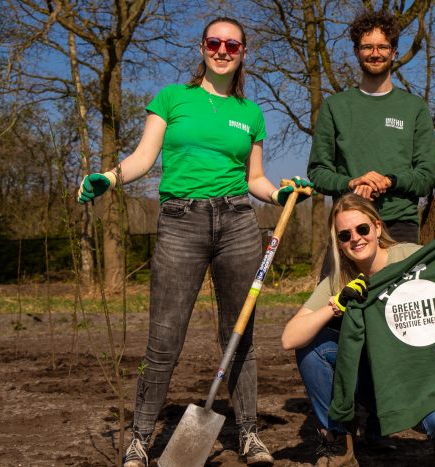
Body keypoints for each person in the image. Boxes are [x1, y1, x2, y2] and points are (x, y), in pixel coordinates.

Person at [76, 17, 311, 467]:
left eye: (232, 45)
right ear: (202, 47)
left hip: (238, 221)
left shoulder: (251, 113)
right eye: (214, 42)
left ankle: (248, 435)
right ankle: (141, 438)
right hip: (181, 220)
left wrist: (282, 194)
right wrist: (108, 178)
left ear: (244, 52)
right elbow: (144, 158)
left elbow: (256, 180)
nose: (223, 50)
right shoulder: (172, 98)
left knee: (238, 334)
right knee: (164, 338)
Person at [281, 194, 435, 467]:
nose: (355, 239)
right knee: (314, 347)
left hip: (428, 378)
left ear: (377, 227)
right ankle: (338, 441)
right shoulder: (341, 279)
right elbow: (289, 338)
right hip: (383, 381)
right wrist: (336, 305)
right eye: (344, 235)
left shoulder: (411, 257)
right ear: (339, 242)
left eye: (362, 229)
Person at [307, 9, 435, 244]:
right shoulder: (334, 107)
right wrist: (351, 183)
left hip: (400, 226)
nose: (375, 53)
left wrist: (389, 181)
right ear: (357, 52)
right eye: (367, 47)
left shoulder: (414, 108)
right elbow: (318, 172)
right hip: (349, 224)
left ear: (394, 51)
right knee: (334, 283)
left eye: (383, 47)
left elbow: (428, 174)